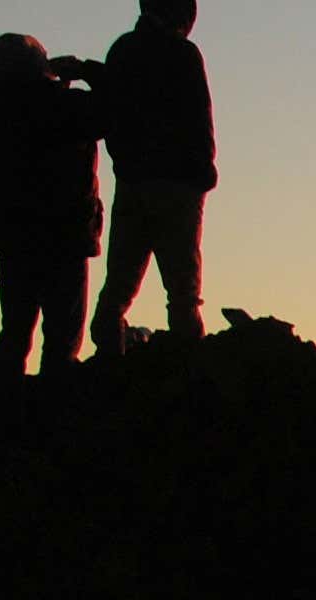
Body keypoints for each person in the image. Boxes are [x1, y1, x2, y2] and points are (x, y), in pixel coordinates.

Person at [0, 33, 102, 392]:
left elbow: (28, 100)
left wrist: (51, 79)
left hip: (13, 234)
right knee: (62, 338)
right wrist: (87, 74)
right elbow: (110, 110)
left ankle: (4, 408)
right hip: (64, 234)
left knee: (14, 330)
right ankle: (52, 414)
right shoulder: (63, 104)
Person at [88, 0, 211, 355]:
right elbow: (199, 118)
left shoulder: (123, 50)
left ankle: (109, 353)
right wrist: (203, 174)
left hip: (132, 181)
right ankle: (192, 361)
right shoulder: (183, 54)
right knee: (183, 287)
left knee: (120, 280)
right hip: (178, 183)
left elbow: (113, 104)